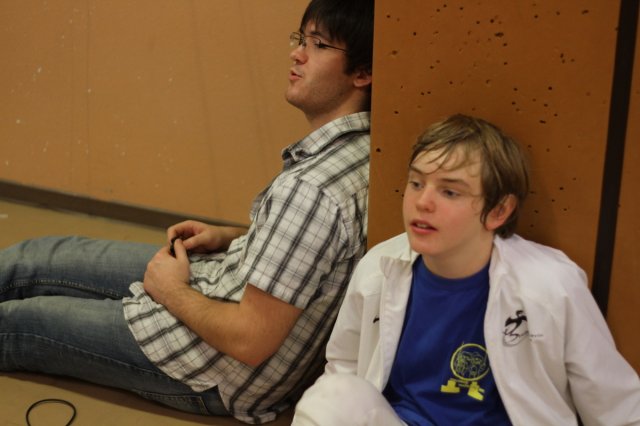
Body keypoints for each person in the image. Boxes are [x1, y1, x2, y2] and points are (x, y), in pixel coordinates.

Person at [0, 0, 374, 423]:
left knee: (16, 325)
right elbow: (311, 253)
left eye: (318, 45)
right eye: (300, 39)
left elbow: (250, 340)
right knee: (36, 258)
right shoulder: (362, 155)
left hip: (208, 367)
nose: (297, 53)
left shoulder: (311, 190)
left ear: (362, 73)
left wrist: (171, 292)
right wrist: (230, 236)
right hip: (218, 288)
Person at [292, 114, 640, 425]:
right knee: (331, 395)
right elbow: (344, 369)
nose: (423, 202)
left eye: (449, 192)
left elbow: (619, 409)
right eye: (416, 183)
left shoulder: (552, 284)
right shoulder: (378, 268)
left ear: (499, 211)